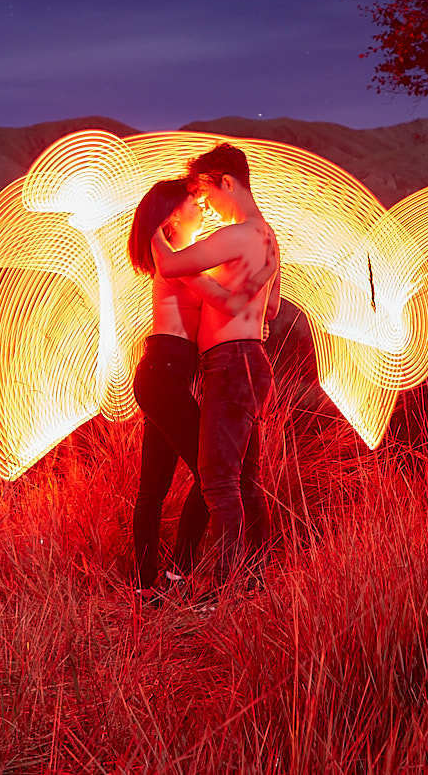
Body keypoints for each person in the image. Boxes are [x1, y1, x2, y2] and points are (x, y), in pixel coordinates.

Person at [122, 176, 270, 602]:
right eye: (192, 200)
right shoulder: (178, 263)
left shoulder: (179, 259)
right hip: (164, 374)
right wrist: (264, 269)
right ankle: (175, 574)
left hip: (162, 374)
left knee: (155, 484)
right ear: (172, 215)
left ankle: (146, 582)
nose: (201, 205)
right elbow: (226, 303)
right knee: (213, 478)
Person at [150, 143, 280, 589]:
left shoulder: (238, 234)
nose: (206, 207)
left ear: (228, 182)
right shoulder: (267, 237)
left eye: (207, 195)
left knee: (219, 482)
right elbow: (274, 306)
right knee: (246, 480)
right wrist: (229, 294)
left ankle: (224, 588)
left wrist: (151, 224)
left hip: (230, 362)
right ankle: (254, 580)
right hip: (251, 362)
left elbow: (169, 263)